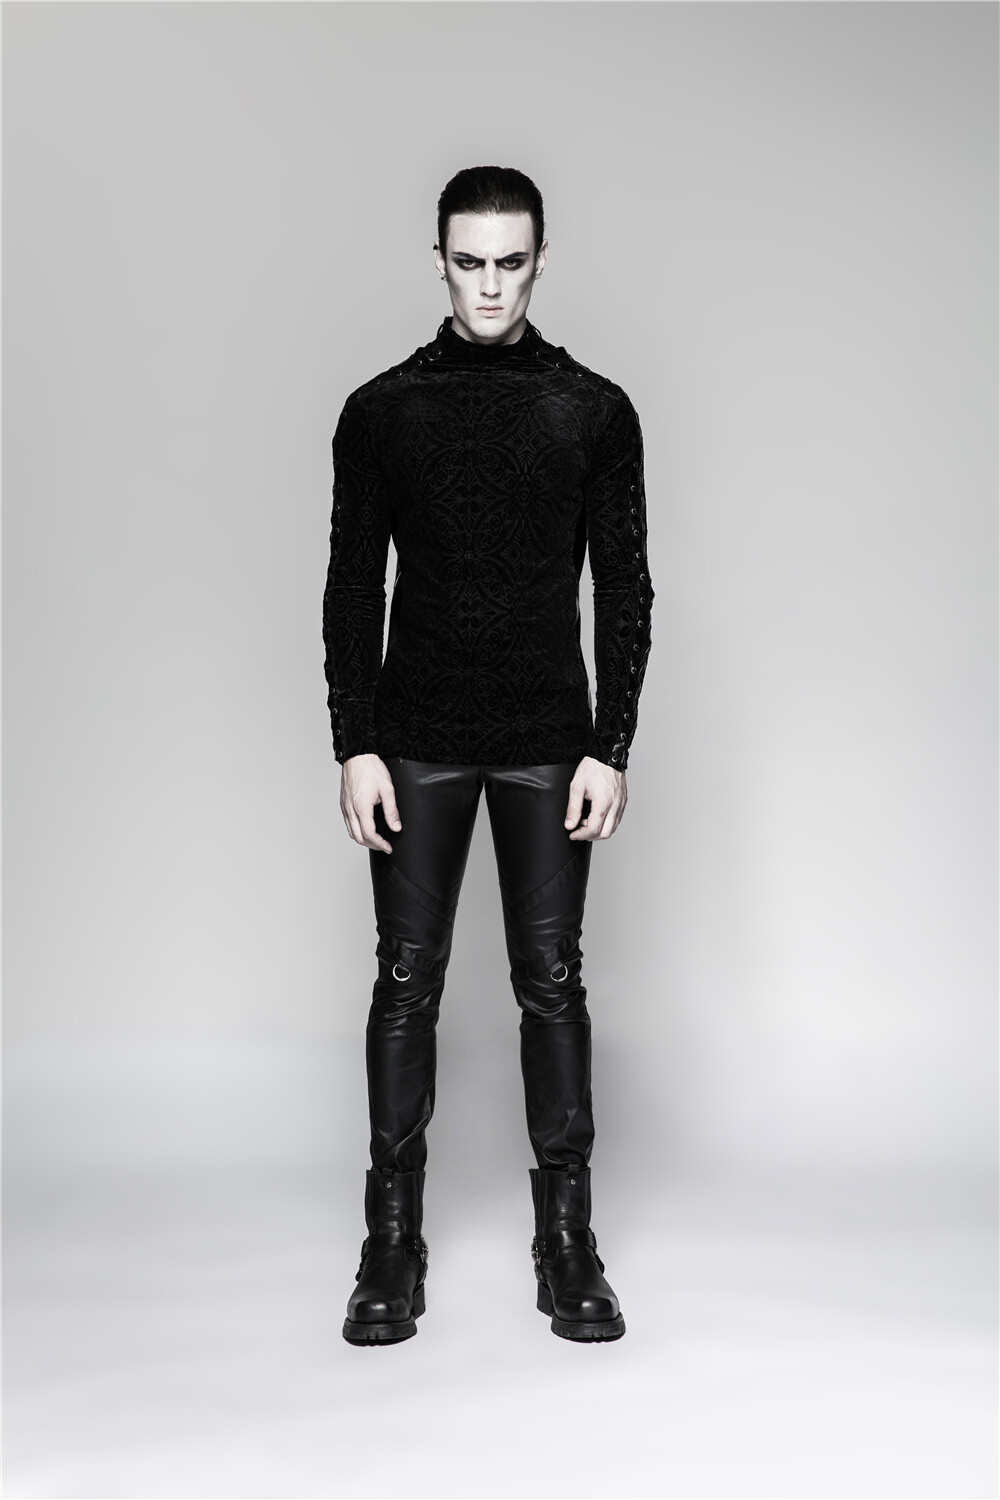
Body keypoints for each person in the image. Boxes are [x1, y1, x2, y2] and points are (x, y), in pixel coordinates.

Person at [322, 165, 653, 1346]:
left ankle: (566, 1240)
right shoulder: (382, 412)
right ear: (440, 263)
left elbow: (625, 586)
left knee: (550, 981)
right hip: (414, 738)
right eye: (470, 262)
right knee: (405, 981)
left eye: (511, 262)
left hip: (546, 742)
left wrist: (611, 744)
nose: (491, 285)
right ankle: (390, 1240)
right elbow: (352, 586)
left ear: (539, 261)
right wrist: (353, 742)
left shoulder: (592, 411)